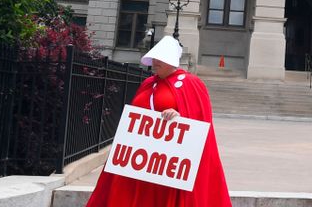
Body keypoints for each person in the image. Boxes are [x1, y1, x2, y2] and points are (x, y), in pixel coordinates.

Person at [86, 37, 231, 207]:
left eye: (159, 59)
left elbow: (200, 120)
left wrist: (180, 116)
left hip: (168, 162)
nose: (154, 63)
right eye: (153, 58)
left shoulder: (191, 83)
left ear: (170, 60)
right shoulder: (149, 83)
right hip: (140, 157)